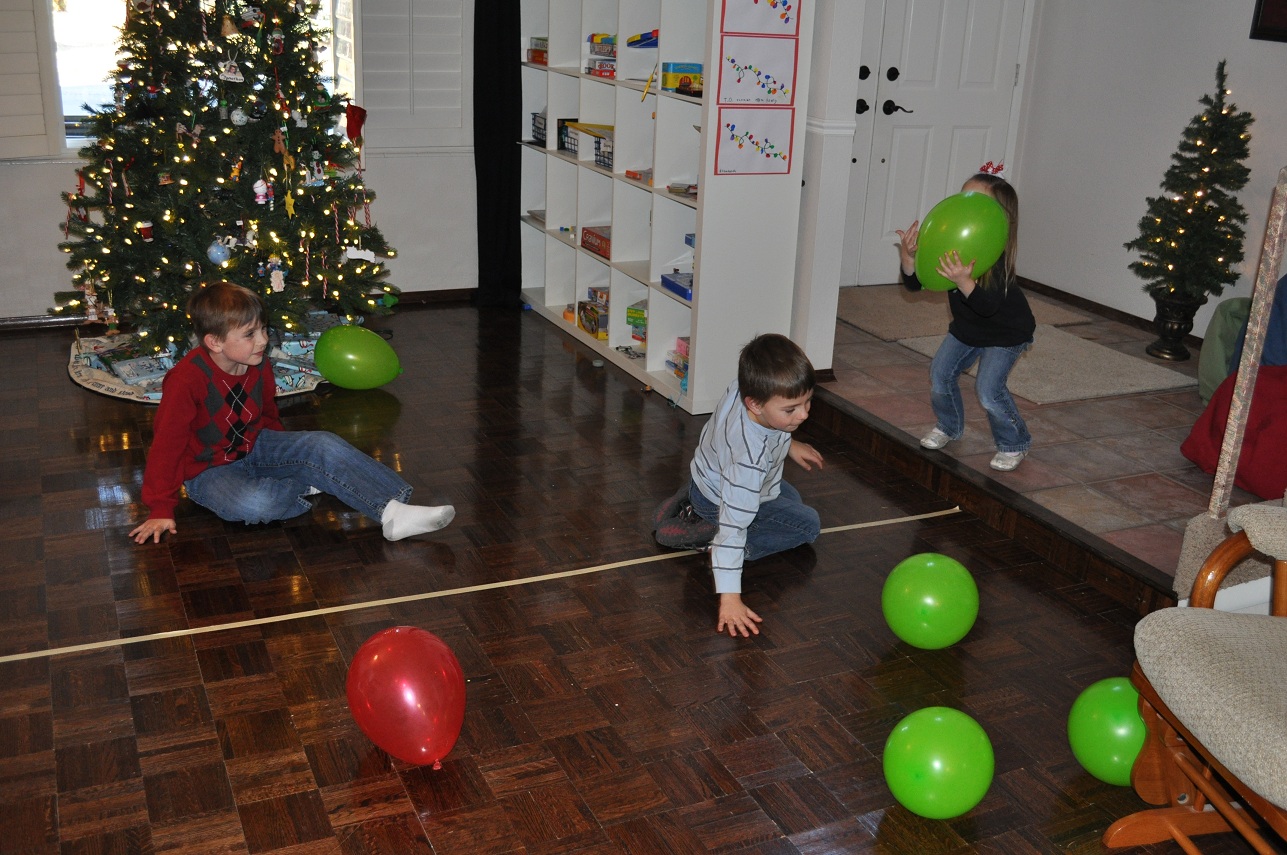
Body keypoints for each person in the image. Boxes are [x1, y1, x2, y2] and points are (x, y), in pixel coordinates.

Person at [129, 281, 455, 544]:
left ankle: (394, 511)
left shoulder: (257, 363)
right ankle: (309, 483)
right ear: (214, 342)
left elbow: (267, 414)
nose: (263, 341)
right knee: (254, 503)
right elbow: (167, 445)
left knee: (322, 444)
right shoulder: (186, 380)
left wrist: (287, 455)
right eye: (250, 334)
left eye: (263, 329)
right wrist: (160, 507)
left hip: (256, 445)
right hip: (208, 471)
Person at [652, 333, 824, 637]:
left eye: (807, 401)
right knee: (807, 524)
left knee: (792, 499)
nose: (804, 414)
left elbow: (771, 431)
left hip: (709, 476)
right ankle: (708, 539)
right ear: (755, 404)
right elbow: (734, 528)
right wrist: (730, 598)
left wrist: (789, 443)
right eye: (791, 409)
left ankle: (693, 500)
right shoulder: (748, 463)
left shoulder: (744, 388)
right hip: (724, 496)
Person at [896, 165, 1035, 471]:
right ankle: (949, 426)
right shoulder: (952, 245)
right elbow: (918, 284)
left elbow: (987, 307)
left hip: (1006, 333)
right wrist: (908, 259)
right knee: (940, 374)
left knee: (988, 391)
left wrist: (963, 281)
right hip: (967, 328)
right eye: (964, 197)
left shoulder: (995, 258)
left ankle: (1015, 442)